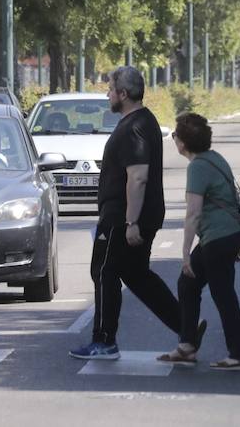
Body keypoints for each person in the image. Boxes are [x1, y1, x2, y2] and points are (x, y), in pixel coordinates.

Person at [71, 66, 195, 361]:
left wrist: (131, 222)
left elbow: (137, 177)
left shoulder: (135, 126)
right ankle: (186, 329)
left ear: (124, 94)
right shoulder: (142, 121)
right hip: (129, 215)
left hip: (122, 217)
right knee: (136, 275)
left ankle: (104, 341)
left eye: (111, 89)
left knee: (103, 271)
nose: (108, 94)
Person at [157, 112, 240, 371]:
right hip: (226, 236)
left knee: (223, 296)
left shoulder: (197, 167)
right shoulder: (214, 159)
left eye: (176, 135)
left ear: (183, 143)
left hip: (218, 239)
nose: (175, 139)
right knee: (188, 284)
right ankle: (186, 345)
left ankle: (239, 353)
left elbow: (194, 212)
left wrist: (185, 252)